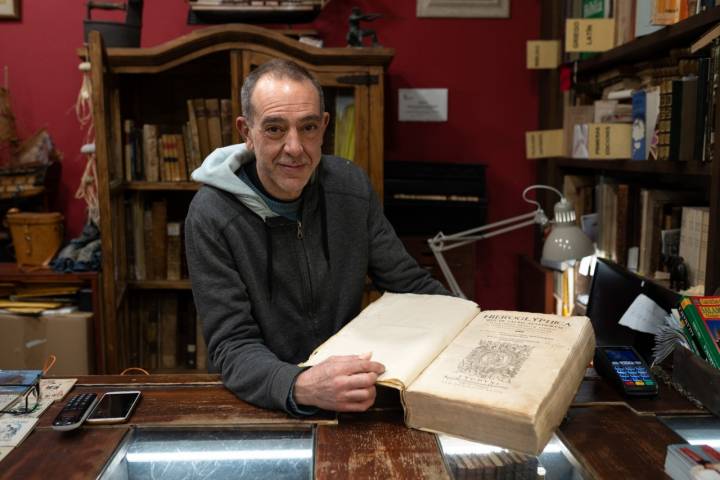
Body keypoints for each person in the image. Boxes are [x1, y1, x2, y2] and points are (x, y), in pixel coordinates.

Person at [185, 59, 448, 416]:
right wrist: (300, 385)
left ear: (323, 127)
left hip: (354, 393)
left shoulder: (350, 186)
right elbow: (232, 344)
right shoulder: (211, 214)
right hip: (267, 402)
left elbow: (408, 282)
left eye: (307, 127)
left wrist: (475, 327)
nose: (295, 147)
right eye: (275, 129)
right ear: (247, 131)